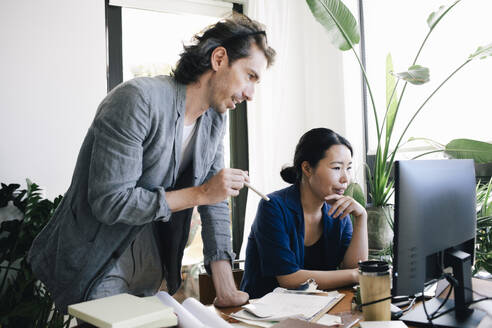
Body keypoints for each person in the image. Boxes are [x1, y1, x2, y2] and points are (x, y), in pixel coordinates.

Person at [27, 13, 276, 313]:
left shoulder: (214, 121)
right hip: (99, 255)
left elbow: (216, 201)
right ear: (219, 58)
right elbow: (109, 201)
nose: (251, 94)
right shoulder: (137, 100)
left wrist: (225, 288)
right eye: (250, 76)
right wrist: (200, 193)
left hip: (152, 257)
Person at [240, 128, 368, 298]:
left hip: (318, 308)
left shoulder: (337, 210)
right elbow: (289, 278)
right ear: (307, 168)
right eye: (337, 168)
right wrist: (355, 275)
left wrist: (361, 218)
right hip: (265, 314)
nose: (345, 179)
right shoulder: (272, 207)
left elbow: (353, 266)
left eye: (348, 168)